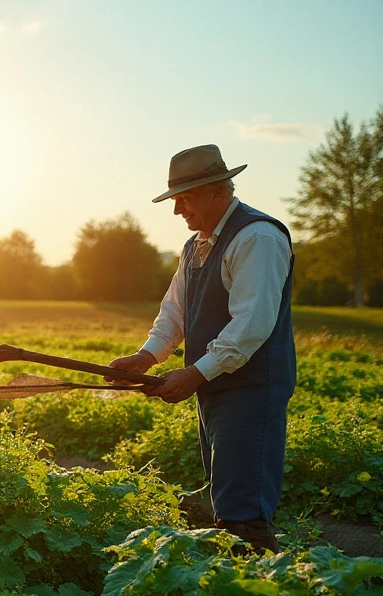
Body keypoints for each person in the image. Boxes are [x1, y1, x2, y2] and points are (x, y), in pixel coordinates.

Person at [108, 145, 295, 553]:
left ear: (217, 191)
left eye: (185, 199)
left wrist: (193, 373)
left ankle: (262, 584)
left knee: (242, 504)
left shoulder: (257, 237)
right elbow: (175, 311)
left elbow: (251, 324)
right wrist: (147, 356)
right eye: (176, 200)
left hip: (249, 388)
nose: (178, 211)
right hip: (214, 385)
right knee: (226, 491)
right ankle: (242, 574)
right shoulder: (196, 246)